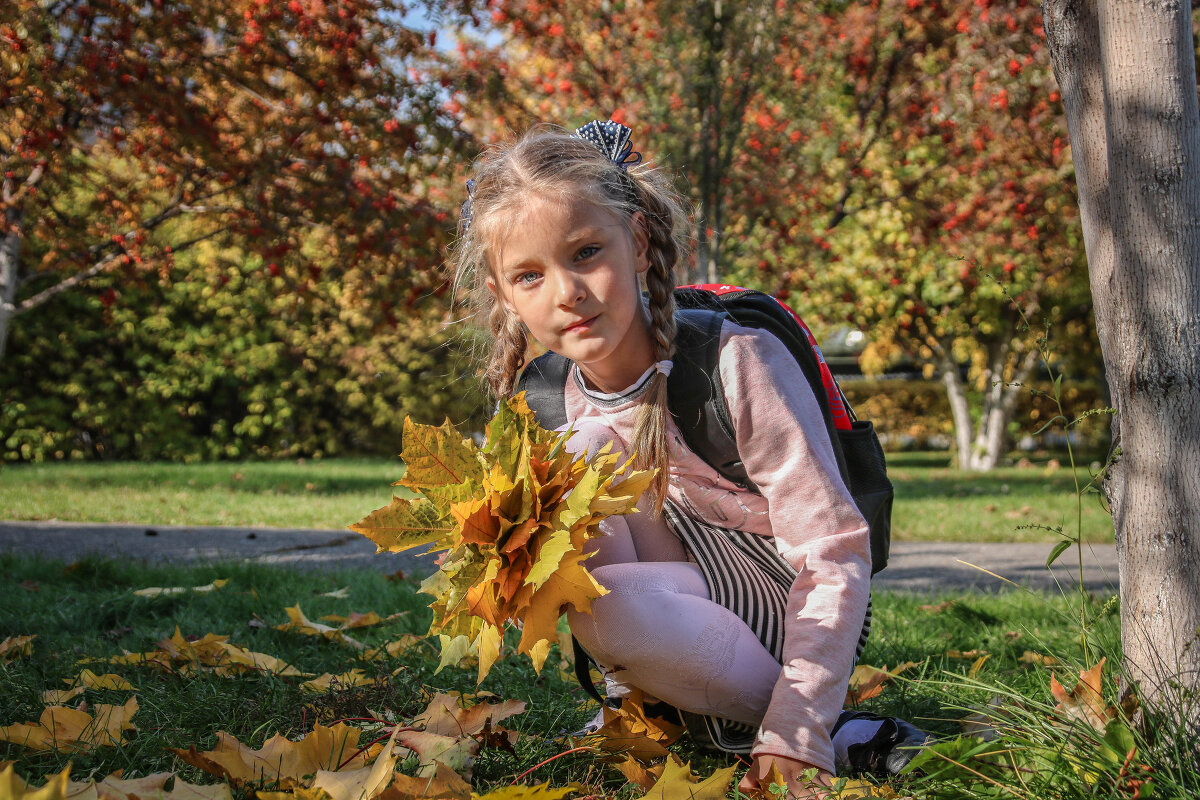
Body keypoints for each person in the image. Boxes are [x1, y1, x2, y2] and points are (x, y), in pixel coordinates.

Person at [449, 120, 925, 797]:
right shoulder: (548, 401)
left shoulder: (734, 361)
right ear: (504, 296)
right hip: (683, 596)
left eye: (586, 252)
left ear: (639, 243)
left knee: (604, 602)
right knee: (572, 465)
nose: (566, 292)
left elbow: (830, 548)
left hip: (788, 605)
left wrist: (800, 715)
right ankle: (647, 704)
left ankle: (822, 723)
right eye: (530, 275)